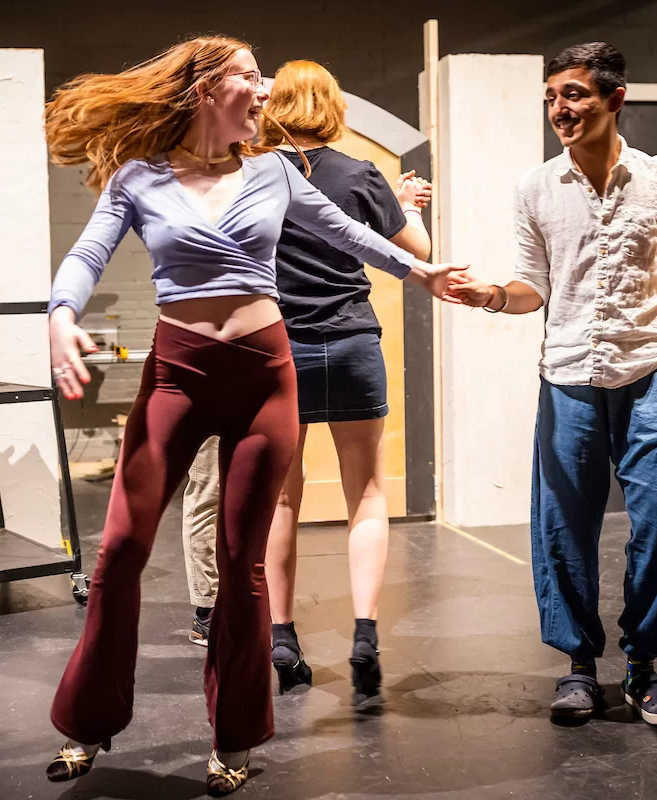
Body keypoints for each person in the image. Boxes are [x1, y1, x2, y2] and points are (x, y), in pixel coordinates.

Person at [43, 36, 464, 796]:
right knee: (121, 550)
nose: (264, 89)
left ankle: (235, 737)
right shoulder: (139, 177)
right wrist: (60, 312)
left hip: (267, 373)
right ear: (207, 88)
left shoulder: (272, 170)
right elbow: (87, 253)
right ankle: (88, 720)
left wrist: (418, 269)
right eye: (249, 75)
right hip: (178, 372)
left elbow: (346, 230)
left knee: (242, 568)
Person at [447, 42, 657, 727]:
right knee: (564, 526)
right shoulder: (534, 188)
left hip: (650, 371)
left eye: (576, 95)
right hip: (567, 380)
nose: (561, 109)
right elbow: (533, 288)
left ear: (616, 98)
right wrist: (493, 296)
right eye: (553, 96)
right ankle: (579, 667)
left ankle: (647, 669)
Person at [179, 60, 433, 706]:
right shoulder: (361, 175)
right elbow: (420, 251)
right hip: (350, 342)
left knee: (283, 501)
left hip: (280, 350)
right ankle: (366, 635)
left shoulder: (254, 178)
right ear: (333, 108)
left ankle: (284, 637)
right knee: (367, 498)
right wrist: (405, 207)